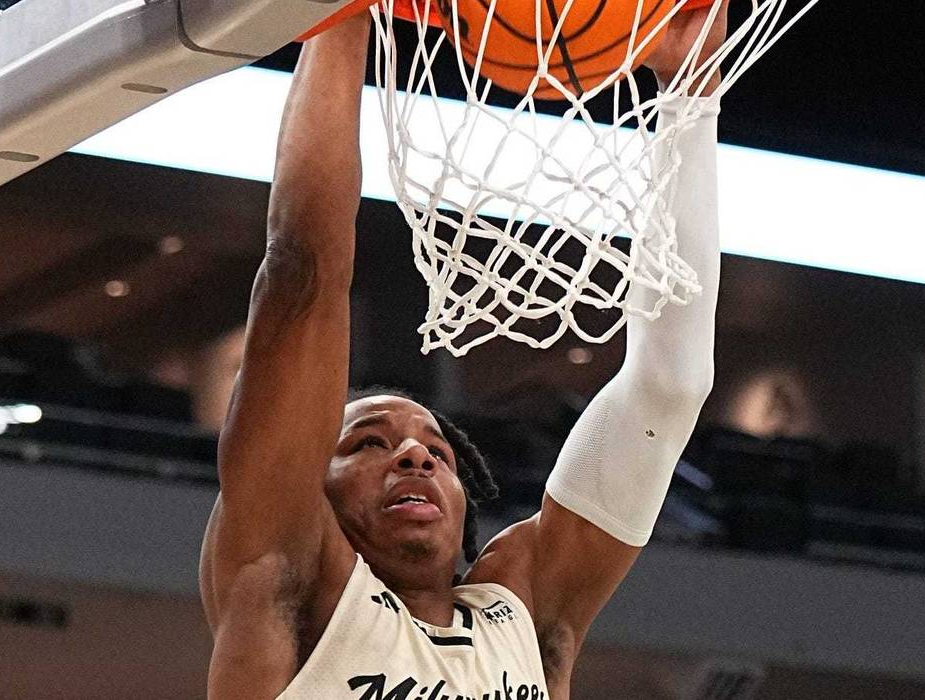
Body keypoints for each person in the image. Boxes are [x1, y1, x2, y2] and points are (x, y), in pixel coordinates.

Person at [199, 4, 727, 698]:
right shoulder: (287, 586)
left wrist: (692, 99)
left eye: (438, 453)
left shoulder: (523, 614)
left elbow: (671, 386)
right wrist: (338, 21)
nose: (414, 456)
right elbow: (301, 277)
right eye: (366, 444)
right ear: (310, 489)